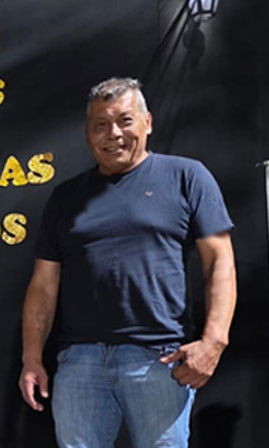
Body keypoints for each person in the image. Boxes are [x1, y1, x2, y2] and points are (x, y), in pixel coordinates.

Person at [19, 78, 237, 447]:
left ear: (147, 122)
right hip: (79, 363)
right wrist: (31, 358)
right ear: (88, 134)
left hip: (159, 359)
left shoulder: (187, 177)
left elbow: (220, 262)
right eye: (101, 125)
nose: (113, 134)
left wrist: (214, 340)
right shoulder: (65, 197)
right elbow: (43, 285)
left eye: (125, 120)